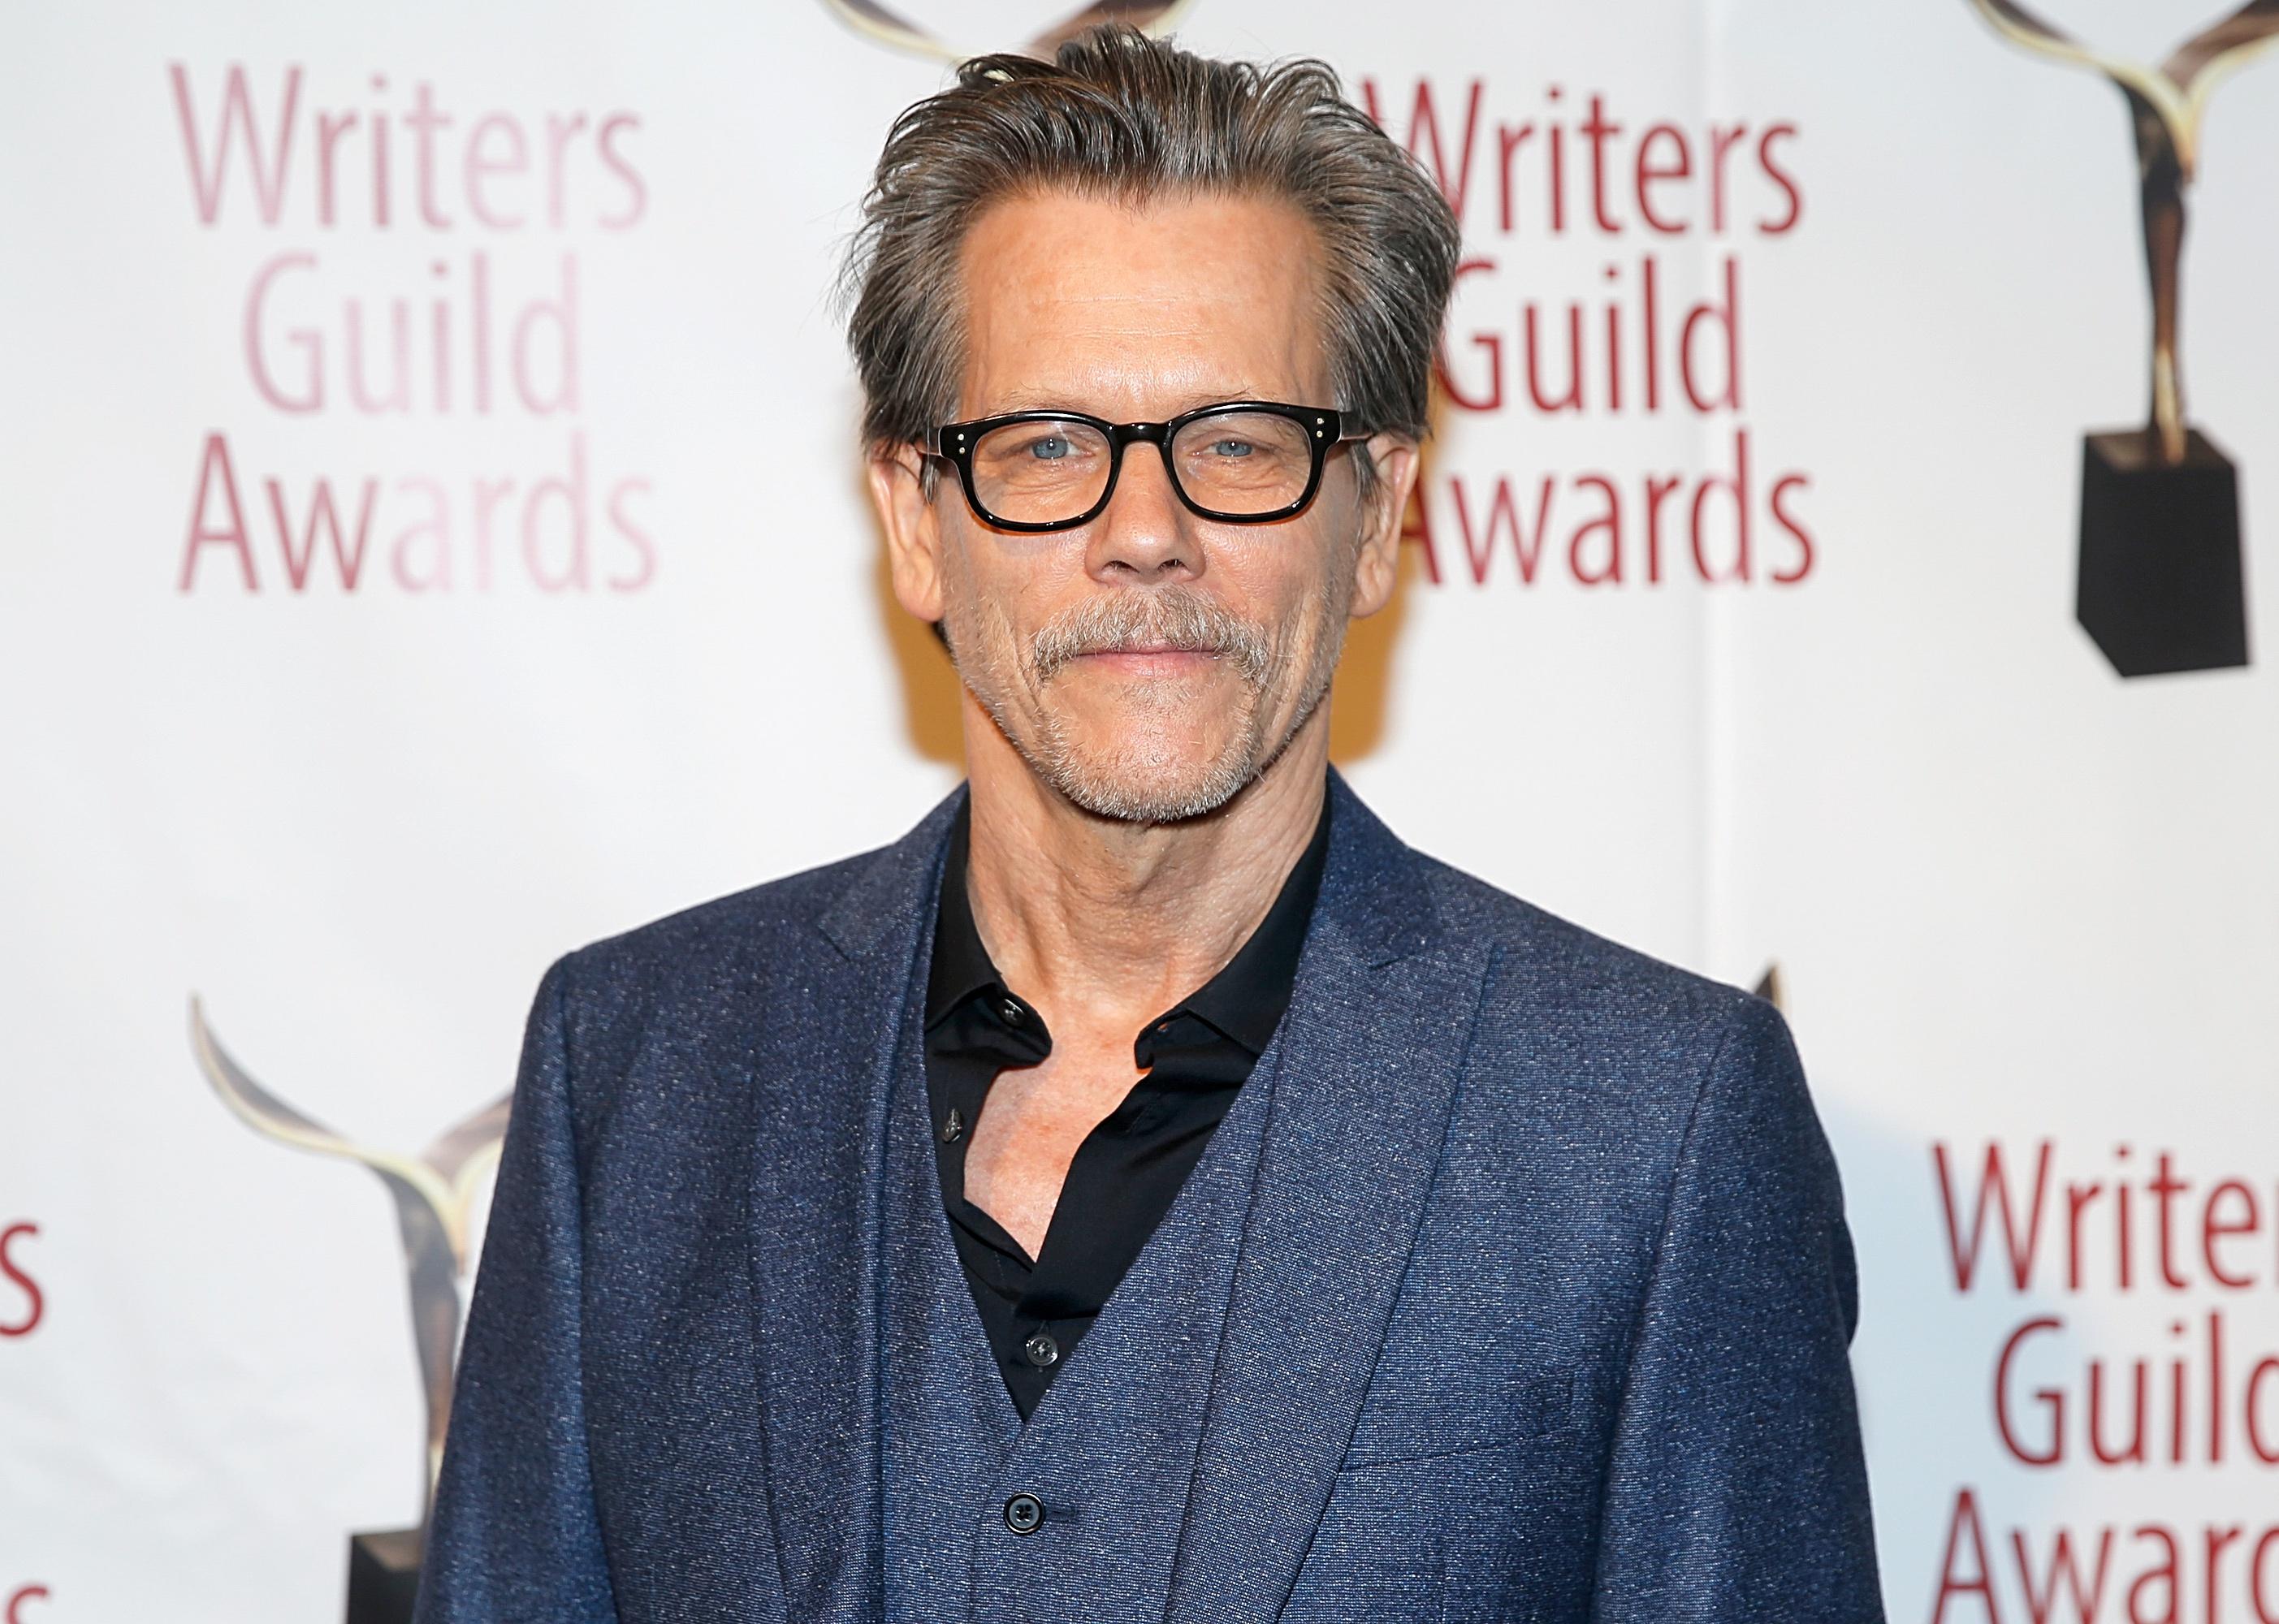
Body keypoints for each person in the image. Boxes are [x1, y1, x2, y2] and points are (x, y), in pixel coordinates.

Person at [415, 25, 1883, 1624]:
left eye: (1236, 443)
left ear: (1375, 516)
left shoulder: (1655, 1127)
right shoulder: (636, 1071)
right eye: (1046, 445)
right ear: (916, 519)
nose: (1143, 532)